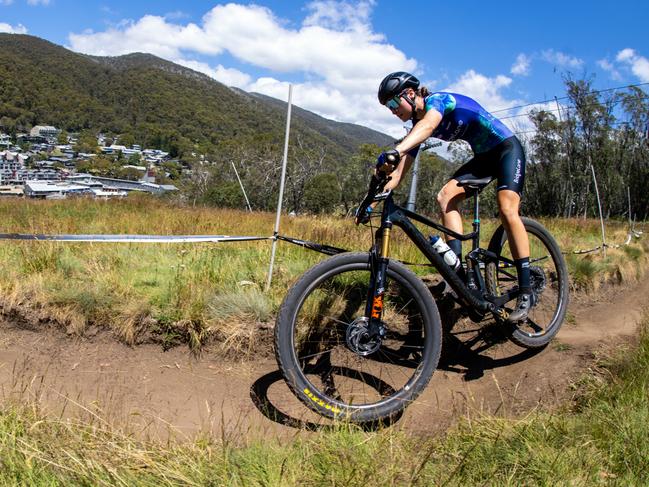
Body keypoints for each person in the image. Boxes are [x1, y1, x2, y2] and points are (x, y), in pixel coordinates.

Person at [361, 71, 532, 323]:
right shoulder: (417, 128)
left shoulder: (438, 102)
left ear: (410, 94)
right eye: (388, 106)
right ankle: (459, 276)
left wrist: (396, 149)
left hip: (507, 149)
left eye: (394, 103)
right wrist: (371, 199)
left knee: (507, 209)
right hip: (483, 159)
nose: (393, 110)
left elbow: (429, 125)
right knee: (446, 196)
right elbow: (398, 176)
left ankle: (526, 290)